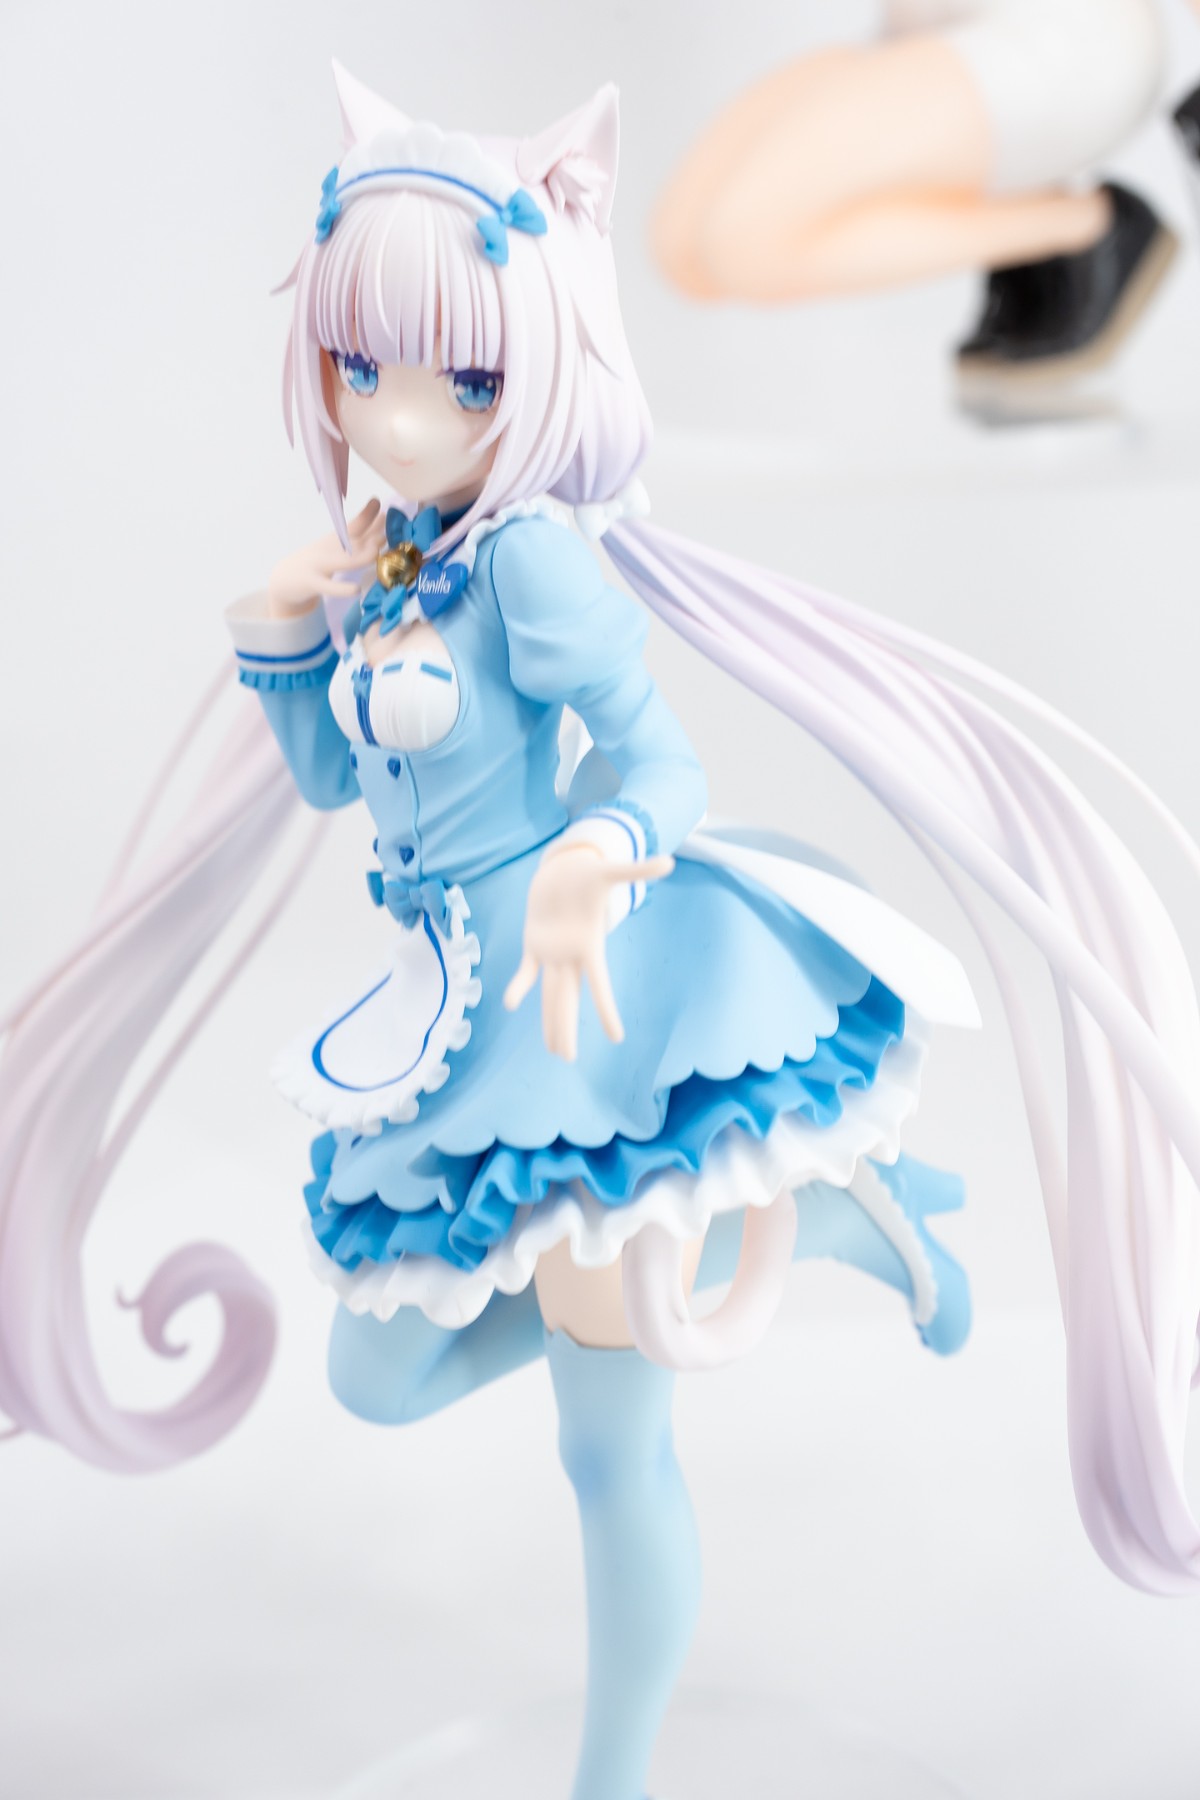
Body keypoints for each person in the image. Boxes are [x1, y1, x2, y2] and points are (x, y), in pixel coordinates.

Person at [3, 64, 1200, 1800]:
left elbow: (663, 762)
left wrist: (597, 862)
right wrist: (281, 640)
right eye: (361, 367)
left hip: (584, 1025)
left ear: (540, 367)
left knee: (608, 1450)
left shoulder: (534, 566)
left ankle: (612, 1774)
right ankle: (837, 1224)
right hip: (446, 1020)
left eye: (463, 378)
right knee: (378, 1371)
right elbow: (339, 778)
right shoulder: (391, 558)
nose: (400, 417)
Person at [656, 0, 1192, 387]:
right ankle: (1033, 225)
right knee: (683, 250)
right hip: (930, 33)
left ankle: (1085, 226)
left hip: (1066, 39)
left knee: (742, 245)